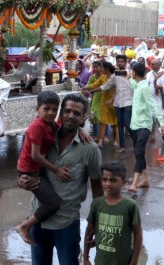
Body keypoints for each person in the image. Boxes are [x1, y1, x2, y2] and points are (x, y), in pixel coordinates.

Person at [17, 93, 102, 265]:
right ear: (61, 113)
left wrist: (96, 223)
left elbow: (97, 188)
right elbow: (26, 165)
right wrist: (21, 182)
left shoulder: (90, 149)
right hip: (39, 220)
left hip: (66, 224)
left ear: (84, 117)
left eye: (77, 113)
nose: (71, 115)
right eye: (67, 111)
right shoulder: (44, 135)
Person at [14, 91, 63, 244]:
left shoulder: (50, 124)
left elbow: (62, 131)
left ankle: (31, 219)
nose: (51, 113)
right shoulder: (37, 126)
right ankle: (24, 225)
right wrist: (56, 170)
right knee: (52, 203)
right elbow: (35, 155)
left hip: (38, 168)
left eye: (55, 109)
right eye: (46, 109)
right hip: (29, 171)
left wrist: (80, 130)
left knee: (45, 199)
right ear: (37, 109)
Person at [84, 161, 142, 265]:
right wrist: (86, 257)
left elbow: (138, 235)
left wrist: (134, 261)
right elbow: (89, 232)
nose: (108, 184)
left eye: (113, 180)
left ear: (123, 182)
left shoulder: (131, 206)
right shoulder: (97, 204)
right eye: (104, 179)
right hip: (101, 261)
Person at [128, 63, 164, 193]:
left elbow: (153, 106)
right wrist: (128, 76)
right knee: (138, 153)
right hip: (135, 124)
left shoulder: (144, 87)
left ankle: (134, 183)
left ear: (134, 72)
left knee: (139, 152)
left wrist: (162, 124)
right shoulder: (138, 85)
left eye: (132, 71)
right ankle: (145, 179)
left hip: (144, 125)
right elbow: (131, 83)